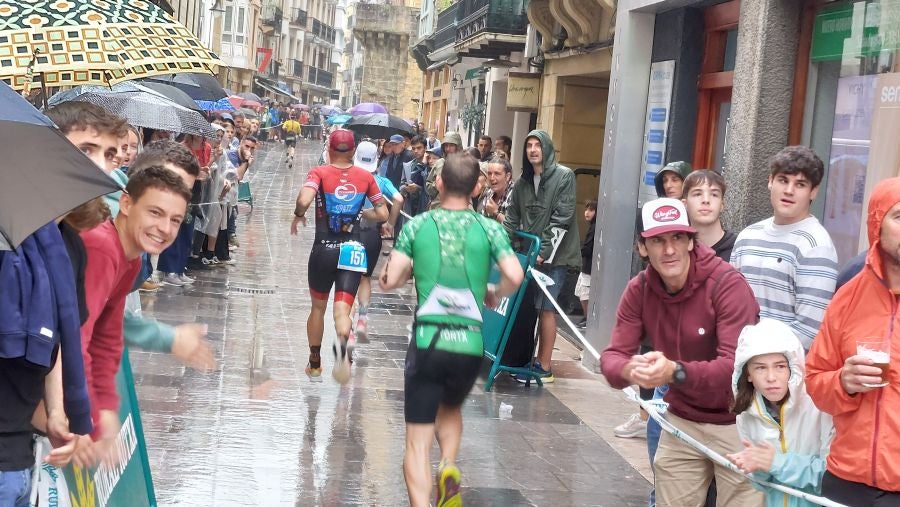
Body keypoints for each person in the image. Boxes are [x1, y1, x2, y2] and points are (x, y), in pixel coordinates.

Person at [379, 153, 524, 507]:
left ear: (439, 183)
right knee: (450, 410)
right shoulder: (490, 228)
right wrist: (493, 292)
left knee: (416, 440)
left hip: (429, 341)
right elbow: (516, 275)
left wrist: (400, 272)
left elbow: (392, 279)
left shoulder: (417, 226)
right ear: (477, 187)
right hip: (470, 346)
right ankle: (447, 465)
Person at [600, 197, 763, 507]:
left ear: (691, 241)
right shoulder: (641, 288)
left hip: (739, 420)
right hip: (683, 417)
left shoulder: (727, 283)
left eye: (677, 237)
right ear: (642, 248)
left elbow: (736, 368)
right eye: (658, 241)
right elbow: (612, 357)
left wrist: (675, 371)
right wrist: (629, 369)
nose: (670, 249)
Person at [75, 167, 192, 466]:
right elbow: (77, 341)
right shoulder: (102, 246)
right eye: (155, 212)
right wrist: (92, 419)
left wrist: (106, 410)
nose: (165, 228)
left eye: (175, 220)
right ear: (126, 204)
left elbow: (107, 339)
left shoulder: (130, 258)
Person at [806, 176, 900, 504]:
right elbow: (816, 382)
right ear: (877, 223)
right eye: (899, 217)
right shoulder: (848, 297)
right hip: (846, 479)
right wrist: (844, 382)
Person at [289, 130, 388, 382]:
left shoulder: (319, 173)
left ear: (329, 150)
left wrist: (299, 214)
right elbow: (383, 213)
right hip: (353, 250)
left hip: (324, 248)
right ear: (353, 152)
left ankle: (314, 362)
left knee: (318, 308)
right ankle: (343, 345)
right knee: (343, 311)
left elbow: (304, 199)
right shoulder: (366, 177)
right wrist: (365, 215)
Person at [730, 146, 838, 350]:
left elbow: (809, 331)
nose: (789, 190)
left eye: (800, 184)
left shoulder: (816, 246)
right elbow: (728, 304)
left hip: (781, 373)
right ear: (770, 181)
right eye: (783, 180)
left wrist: (756, 356)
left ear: (813, 191)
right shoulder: (747, 236)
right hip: (736, 364)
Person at [728, 319, 833, 507]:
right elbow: (763, 485)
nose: (771, 377)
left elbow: (832, 477)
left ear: (794, 368)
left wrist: (775, 463)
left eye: (780, 366)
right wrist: (756, 467)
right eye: (760, 367)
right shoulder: (746, 413)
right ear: (748, 374)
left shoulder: (820, 407)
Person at [504, 129, 581, 382]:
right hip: (528, 256)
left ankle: (544, 366)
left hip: (555, 258)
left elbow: (563, 218)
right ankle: (525, 358)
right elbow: (512, 217)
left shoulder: (564, 177)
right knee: (526, 309)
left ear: (547, 149)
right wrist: (504, 246)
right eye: (529, 145)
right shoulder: (523, 182)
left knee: (546, 309)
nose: (533, 150)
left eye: (538, 145)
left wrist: (543, 251)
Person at [352, 141, 404, 343]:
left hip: (350, 233)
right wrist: (390, 223)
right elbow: (399, 198)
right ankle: (363, 318)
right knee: (365, 278)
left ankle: (347, 323)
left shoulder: (349, 179)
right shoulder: (381, 182)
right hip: (372, 235)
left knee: (347, 278)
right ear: (377, 160)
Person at [682, 169, 737, 261]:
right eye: (697, 194)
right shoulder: (676, 250)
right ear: (684, 204)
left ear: (722, 205)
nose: (706, 200)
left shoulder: (739, 248)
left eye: (714, 195)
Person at [425, 131, 463, 208]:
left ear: (458, 146)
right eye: (446, 146)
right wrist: (437, 184)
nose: (448, 149)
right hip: (438, 207)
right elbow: (428, 187)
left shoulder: (465, 164)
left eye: (451, 145)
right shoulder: (440, 163)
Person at [575, 199, 597, 326]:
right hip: (586, 267)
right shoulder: (593, 227)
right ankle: (586, 318)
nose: (587, 213)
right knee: (581, 293)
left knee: (584, 294)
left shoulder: (595, 228)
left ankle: (588, 319)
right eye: (586, 209)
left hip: (589, 268)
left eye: (591, 210)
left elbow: (588, 249)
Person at [478, 156, 514, 223]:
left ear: (507, 176)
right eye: (489, 173)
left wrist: (496, 213)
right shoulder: (488, 192)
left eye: (497, 174)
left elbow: (514, 228)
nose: (492, 178)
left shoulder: (516, 195)